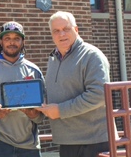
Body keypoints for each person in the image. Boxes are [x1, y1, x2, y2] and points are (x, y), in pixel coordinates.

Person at [36, 11, 110, 157]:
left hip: (92, 142)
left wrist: (60, 110)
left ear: (76, 30)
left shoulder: (92, 56)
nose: (61, 34)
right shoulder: (53, 59)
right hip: (67, 142)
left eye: (66, 29)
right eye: (56, 31)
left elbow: (98, 95)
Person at [0, 21, 45, 157]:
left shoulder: (34, 70)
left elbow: (42, 112)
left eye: (16, 39)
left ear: (23, 42)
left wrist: (35, 115)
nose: (11, 42)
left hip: (29, 146)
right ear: (1, 42)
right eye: (7, 38)